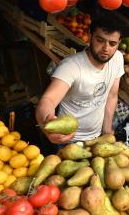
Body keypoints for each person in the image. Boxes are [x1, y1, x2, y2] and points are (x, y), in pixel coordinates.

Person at [36, 16, 124, 146]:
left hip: (97, 137)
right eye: (100, 40)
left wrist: (107, 129)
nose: (106, 48)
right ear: (90, 36)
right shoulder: (71, 66)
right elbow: (48, 100)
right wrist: (47, 122)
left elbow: (111, 95)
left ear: (119, 43)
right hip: (69, 141)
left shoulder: (117, 58)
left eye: (112, 44)